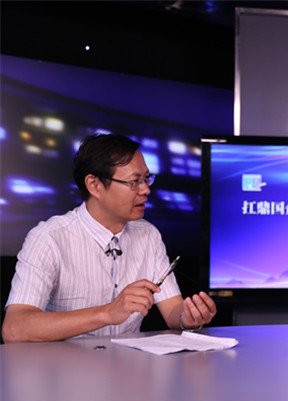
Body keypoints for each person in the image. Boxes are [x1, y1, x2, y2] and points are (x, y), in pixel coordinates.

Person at [2, 133, 217, 343]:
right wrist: (107, 313)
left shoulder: (149, 235)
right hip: (64, 365)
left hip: (129, 364)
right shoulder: (48, 238)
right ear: (94, 185)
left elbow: (172, 311)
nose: (145, 190)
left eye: (146, 179)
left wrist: (188, 318)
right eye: (134, 182)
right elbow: (15, 328)